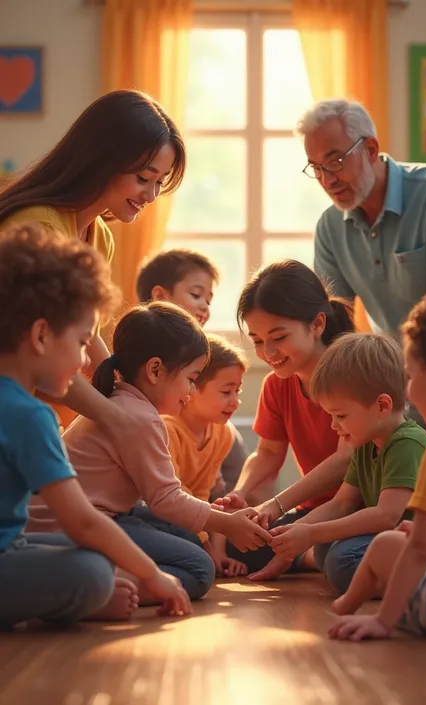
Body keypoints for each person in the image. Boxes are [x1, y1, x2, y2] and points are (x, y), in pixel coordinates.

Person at [0, 224, 191, 628]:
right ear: (40, 336)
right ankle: (83, 599)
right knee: (91, 571)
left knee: (99, 556)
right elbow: (83, 520)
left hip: (11, 545)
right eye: (84, 341)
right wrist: (151, 575)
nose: (88, 360)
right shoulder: (30, 415)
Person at [27, 301, 271, 603]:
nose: (192, 392)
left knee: (186, 537)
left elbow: (162, 500)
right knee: (198, 569)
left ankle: (112, 571)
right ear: (155, 369)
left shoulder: (122, 398)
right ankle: (107, 586)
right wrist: (227, 523)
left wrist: (216, 516)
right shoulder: (141, 418)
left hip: (97, 517)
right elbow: (165, 499)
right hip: (67, 529)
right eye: (191, 379)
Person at [0, 88, 186, 434]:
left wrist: (130, 393)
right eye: (143, 179)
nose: (151, 195)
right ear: (101, 160)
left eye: (159, 182)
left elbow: (86, 334)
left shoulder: (99, 237)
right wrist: (115, 415)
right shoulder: (38, 227)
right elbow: (40, 351)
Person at [299, 98, 426, 434]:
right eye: (316, 168)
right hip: (393, 384)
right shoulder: (330, 228)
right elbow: (337, 328)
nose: (327, 179)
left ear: (370, 149)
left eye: (334, 161)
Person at [329, 292, 426, 641]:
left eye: (409, 376)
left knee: (385, 545)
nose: (406, 390)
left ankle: (351, 606)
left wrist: (383, 621)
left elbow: (422, 549)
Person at [265, 332, 426, 593]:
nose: (334, 426)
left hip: (423, 546)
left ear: (382, 405)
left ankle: (418, 585)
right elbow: (342, 503)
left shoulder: (407, 442)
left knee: (341, 559)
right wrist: (294, 532)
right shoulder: (365, 443)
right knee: (324, 549)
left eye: (340, 415)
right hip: (389, 540)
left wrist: (310, 534)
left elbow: (386, 516)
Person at [218, 259, 355, 576]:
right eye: (257, 341)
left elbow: (344, 460)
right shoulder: (277, 385)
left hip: (357, 510)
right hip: (314, 512)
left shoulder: (352, 374)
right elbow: (267, 452)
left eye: (279, 337)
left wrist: (275, 505)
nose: (268, 352)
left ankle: (307, 555)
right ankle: (307, 555)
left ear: (317, 324)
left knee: (344, 560)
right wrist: (240, 492)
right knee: (233, 544)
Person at [136, 248, 248, 496]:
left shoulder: (200, 351)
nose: (205, 307)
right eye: (196, 295)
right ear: (159, 296)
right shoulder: (139, 353)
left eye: (209, 300)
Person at [164, 334, 249, 578]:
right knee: (199, 565)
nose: (235, 402)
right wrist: (205, 546)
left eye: (237, 391)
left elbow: (206, 495)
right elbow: (174, 498)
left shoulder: (222, 434)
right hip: (160, 514)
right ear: (192, 386)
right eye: (226, 392)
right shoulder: (167, 429)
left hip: (190, 517)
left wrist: (218, 550)